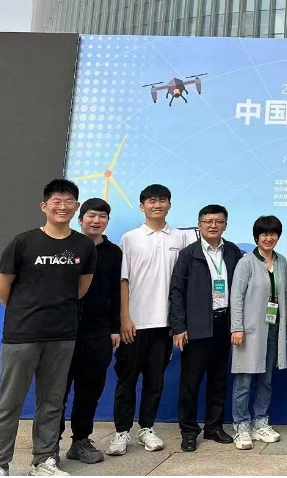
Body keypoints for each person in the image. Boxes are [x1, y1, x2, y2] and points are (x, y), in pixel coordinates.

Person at [0, 179, 96, 477]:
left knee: (51, 402)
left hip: (62, 335)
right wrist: (25, 313)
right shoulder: (23, 242)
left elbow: (81, 288)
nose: (63, 207)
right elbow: (1, 287)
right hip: (22, 335)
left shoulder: (84, 245)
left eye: (69, 202)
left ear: (76, 207)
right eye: (56, 202)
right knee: (9, 403)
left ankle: (44, 460)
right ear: (44, 206)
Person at [107, 184, 195, 456]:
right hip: (134, 324)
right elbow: (123, 280)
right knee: (127, 379)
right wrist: (124, 318)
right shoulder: (130, 238)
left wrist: (178, 322)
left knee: (155, 381)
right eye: (151, 201)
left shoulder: (181, 238)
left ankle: (146, 428)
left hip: (165, 326)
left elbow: (185, 283)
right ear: (142, 206)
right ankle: (122, 432)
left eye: (162, 200)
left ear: (169, 204)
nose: (157, 205)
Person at [169, 205, 242, 451]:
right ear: (199, 225)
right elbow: (176, 292)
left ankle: (214, 427)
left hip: (224, 323)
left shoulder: (232, 252)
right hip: (196, 325)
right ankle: (189, 431)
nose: (213, 225)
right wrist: (178, 326)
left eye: (218, 221)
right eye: (208, 221)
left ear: (225, 225)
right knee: (191, 381)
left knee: (219, 379)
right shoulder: (188, 254)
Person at [57, 198, 122, 465]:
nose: (96, 221)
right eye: (91, 215)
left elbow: (116, 292)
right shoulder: (66, 247)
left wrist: (115, 328)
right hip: (63, 331)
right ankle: (49, 444)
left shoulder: (114, 252)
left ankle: (80, 440)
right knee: (57, 391)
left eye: (102, 216)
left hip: (98, 333)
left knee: (90, 390)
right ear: (80, 218)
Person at [230, 215, 287, 449]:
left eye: (273, 233)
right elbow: (236, 297)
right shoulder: (246, 262)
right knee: (244, 379)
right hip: (249, 330)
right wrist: (237, 327)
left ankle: (260, 422)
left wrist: (284, 326)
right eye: (264, 233)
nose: (268, 238)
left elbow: (285, 296)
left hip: (273, 328)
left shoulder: (281, 261)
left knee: (266, 380)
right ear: (256, 237)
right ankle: (241, 425)